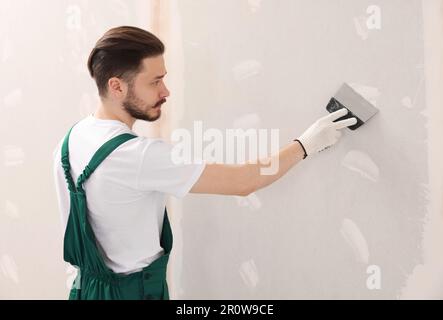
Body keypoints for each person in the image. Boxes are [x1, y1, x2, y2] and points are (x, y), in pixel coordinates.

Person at [53, 26, 356, 300]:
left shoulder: (72, 139)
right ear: (117, 86)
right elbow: (243, 181)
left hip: (85, 290)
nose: (165, 92)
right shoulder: (138, 156)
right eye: (155, 82)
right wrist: (307, 143)